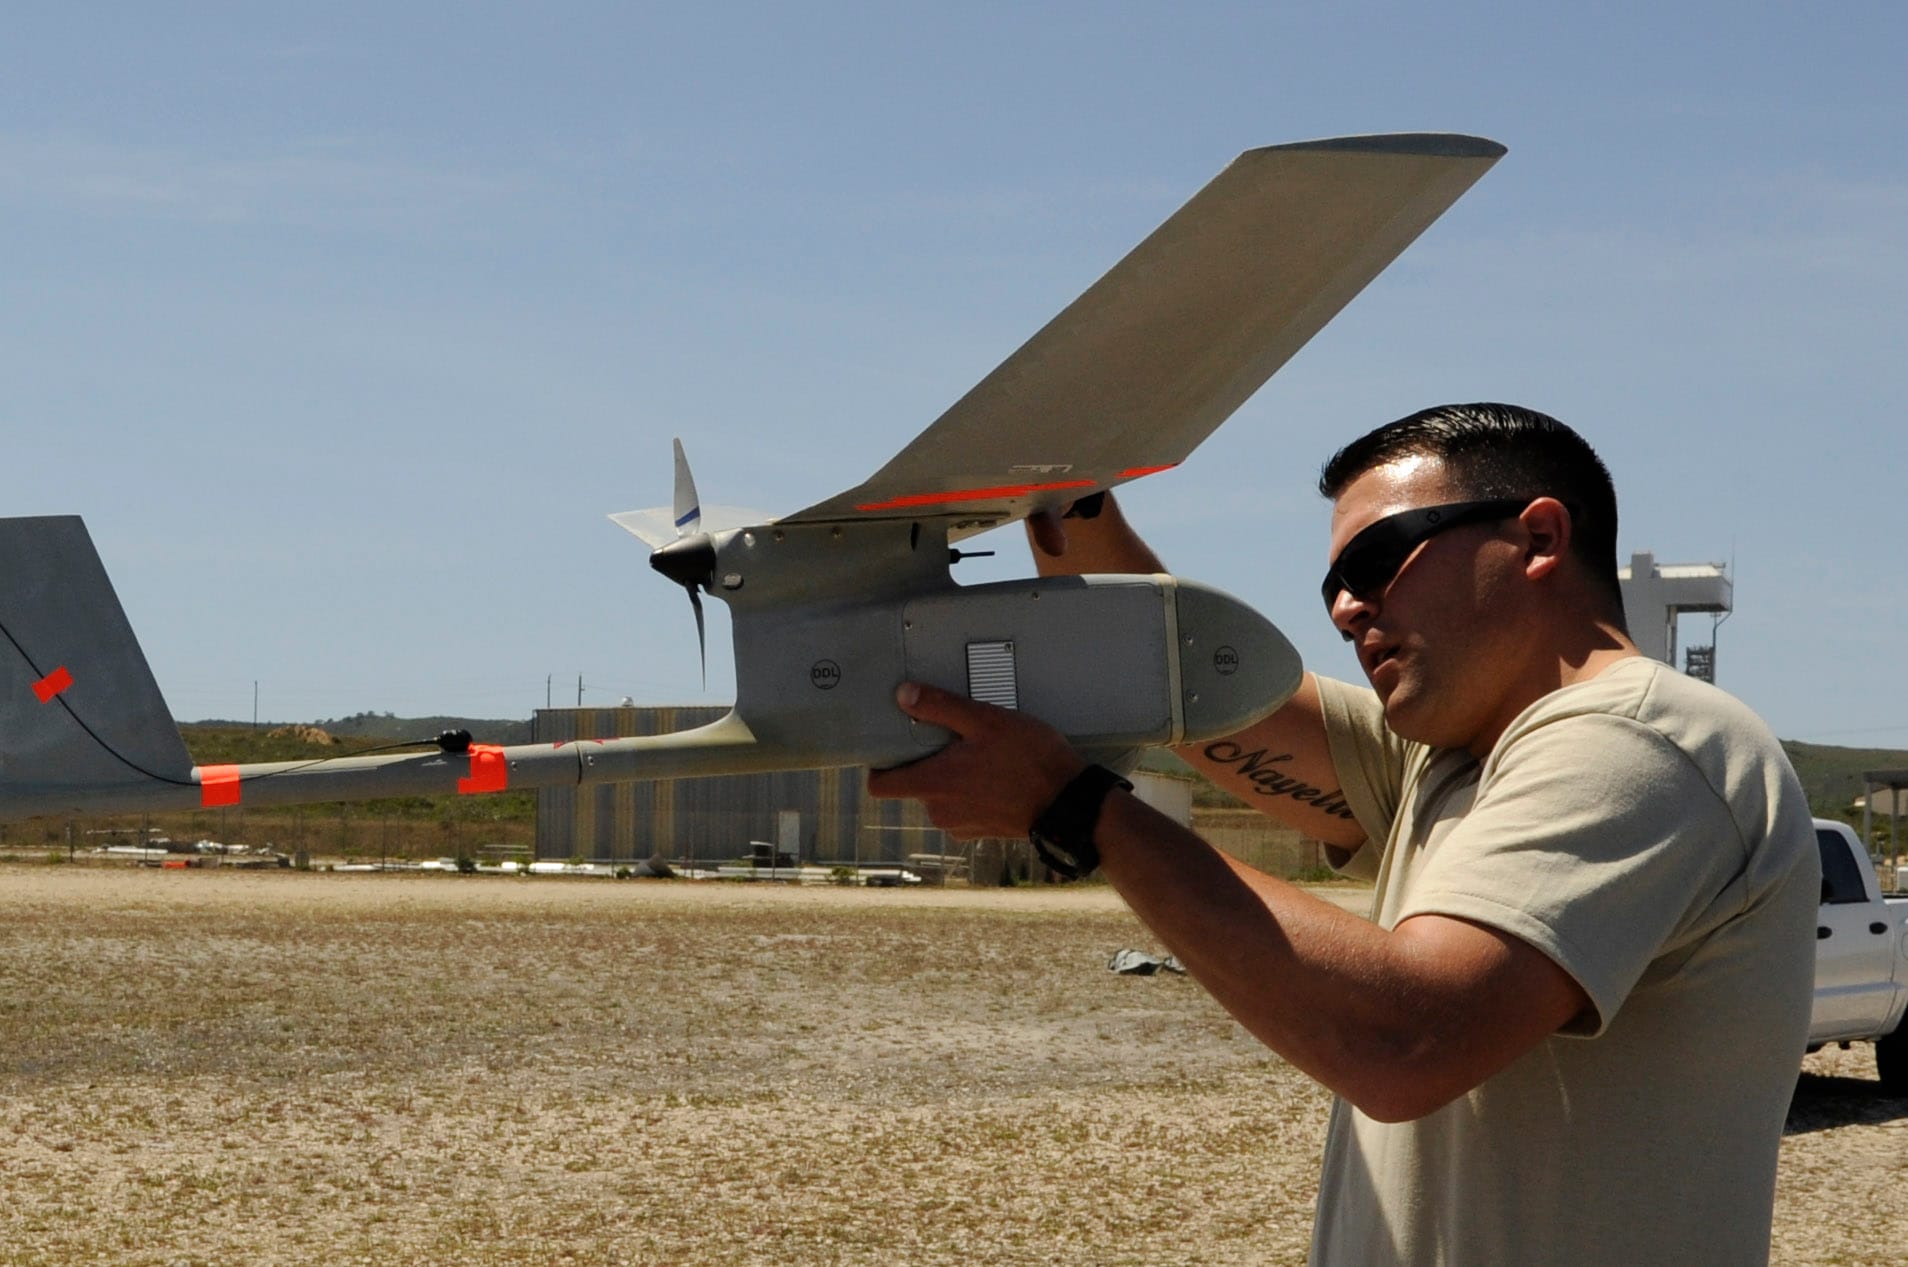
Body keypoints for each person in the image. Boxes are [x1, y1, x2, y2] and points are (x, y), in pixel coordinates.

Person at [869, 403, 1818, 1266]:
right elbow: (1191, 689)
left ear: (1537, 538)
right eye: (1332, 583)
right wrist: (1073, 507)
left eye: (1375, 561)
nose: (1343, 608)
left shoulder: (1641, 742)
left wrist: (1073, 807)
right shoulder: (1458, 755)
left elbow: (1404, 1040)